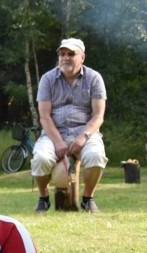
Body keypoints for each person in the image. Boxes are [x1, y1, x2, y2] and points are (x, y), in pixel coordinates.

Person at [30, 38, 107, 213]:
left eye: (71, 54)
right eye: (62, 54)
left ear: (82, 57)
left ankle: (88, 199)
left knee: (96, 156)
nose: (65, 58)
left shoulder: (94, 78)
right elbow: (44, 116)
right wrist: (58, 142)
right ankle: (43, 198)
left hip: (85, 132)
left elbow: (98, 116)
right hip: (54, 132)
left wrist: (83, 137)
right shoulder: (47, 79)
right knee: (41, 159)